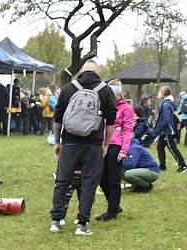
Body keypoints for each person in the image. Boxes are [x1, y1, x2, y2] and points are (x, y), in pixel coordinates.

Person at [49, 60, 117, 236]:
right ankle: (82, 225)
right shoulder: (105, 90)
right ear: (97, 72)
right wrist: (106, 144)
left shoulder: (67, 88)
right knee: (88, 184)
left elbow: (58, 119)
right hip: (93, 144)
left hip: (70, 143)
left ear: (82, 71)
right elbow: (110, 122)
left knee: (62, 181)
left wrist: (58, 142)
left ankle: (56, 221)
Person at [95, 79, 134, 222]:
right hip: (102, 144)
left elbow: (128, 130)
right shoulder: (103, 106)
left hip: (116, 145)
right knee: (101, 177)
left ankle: (112, 211)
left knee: (113, 179)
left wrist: (124, 150)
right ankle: (114, 205)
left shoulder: (126, 108)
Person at [153, 85, 187, 173]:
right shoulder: (166, 103)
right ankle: (162, 166)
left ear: (164, 93)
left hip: (167, 131)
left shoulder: (166, 104)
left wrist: (158, 129)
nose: (158, 94)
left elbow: (166, 119)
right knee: (160, 147)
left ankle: (183, 165)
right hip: (164, 131)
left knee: (172, 148)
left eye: (159, 92)